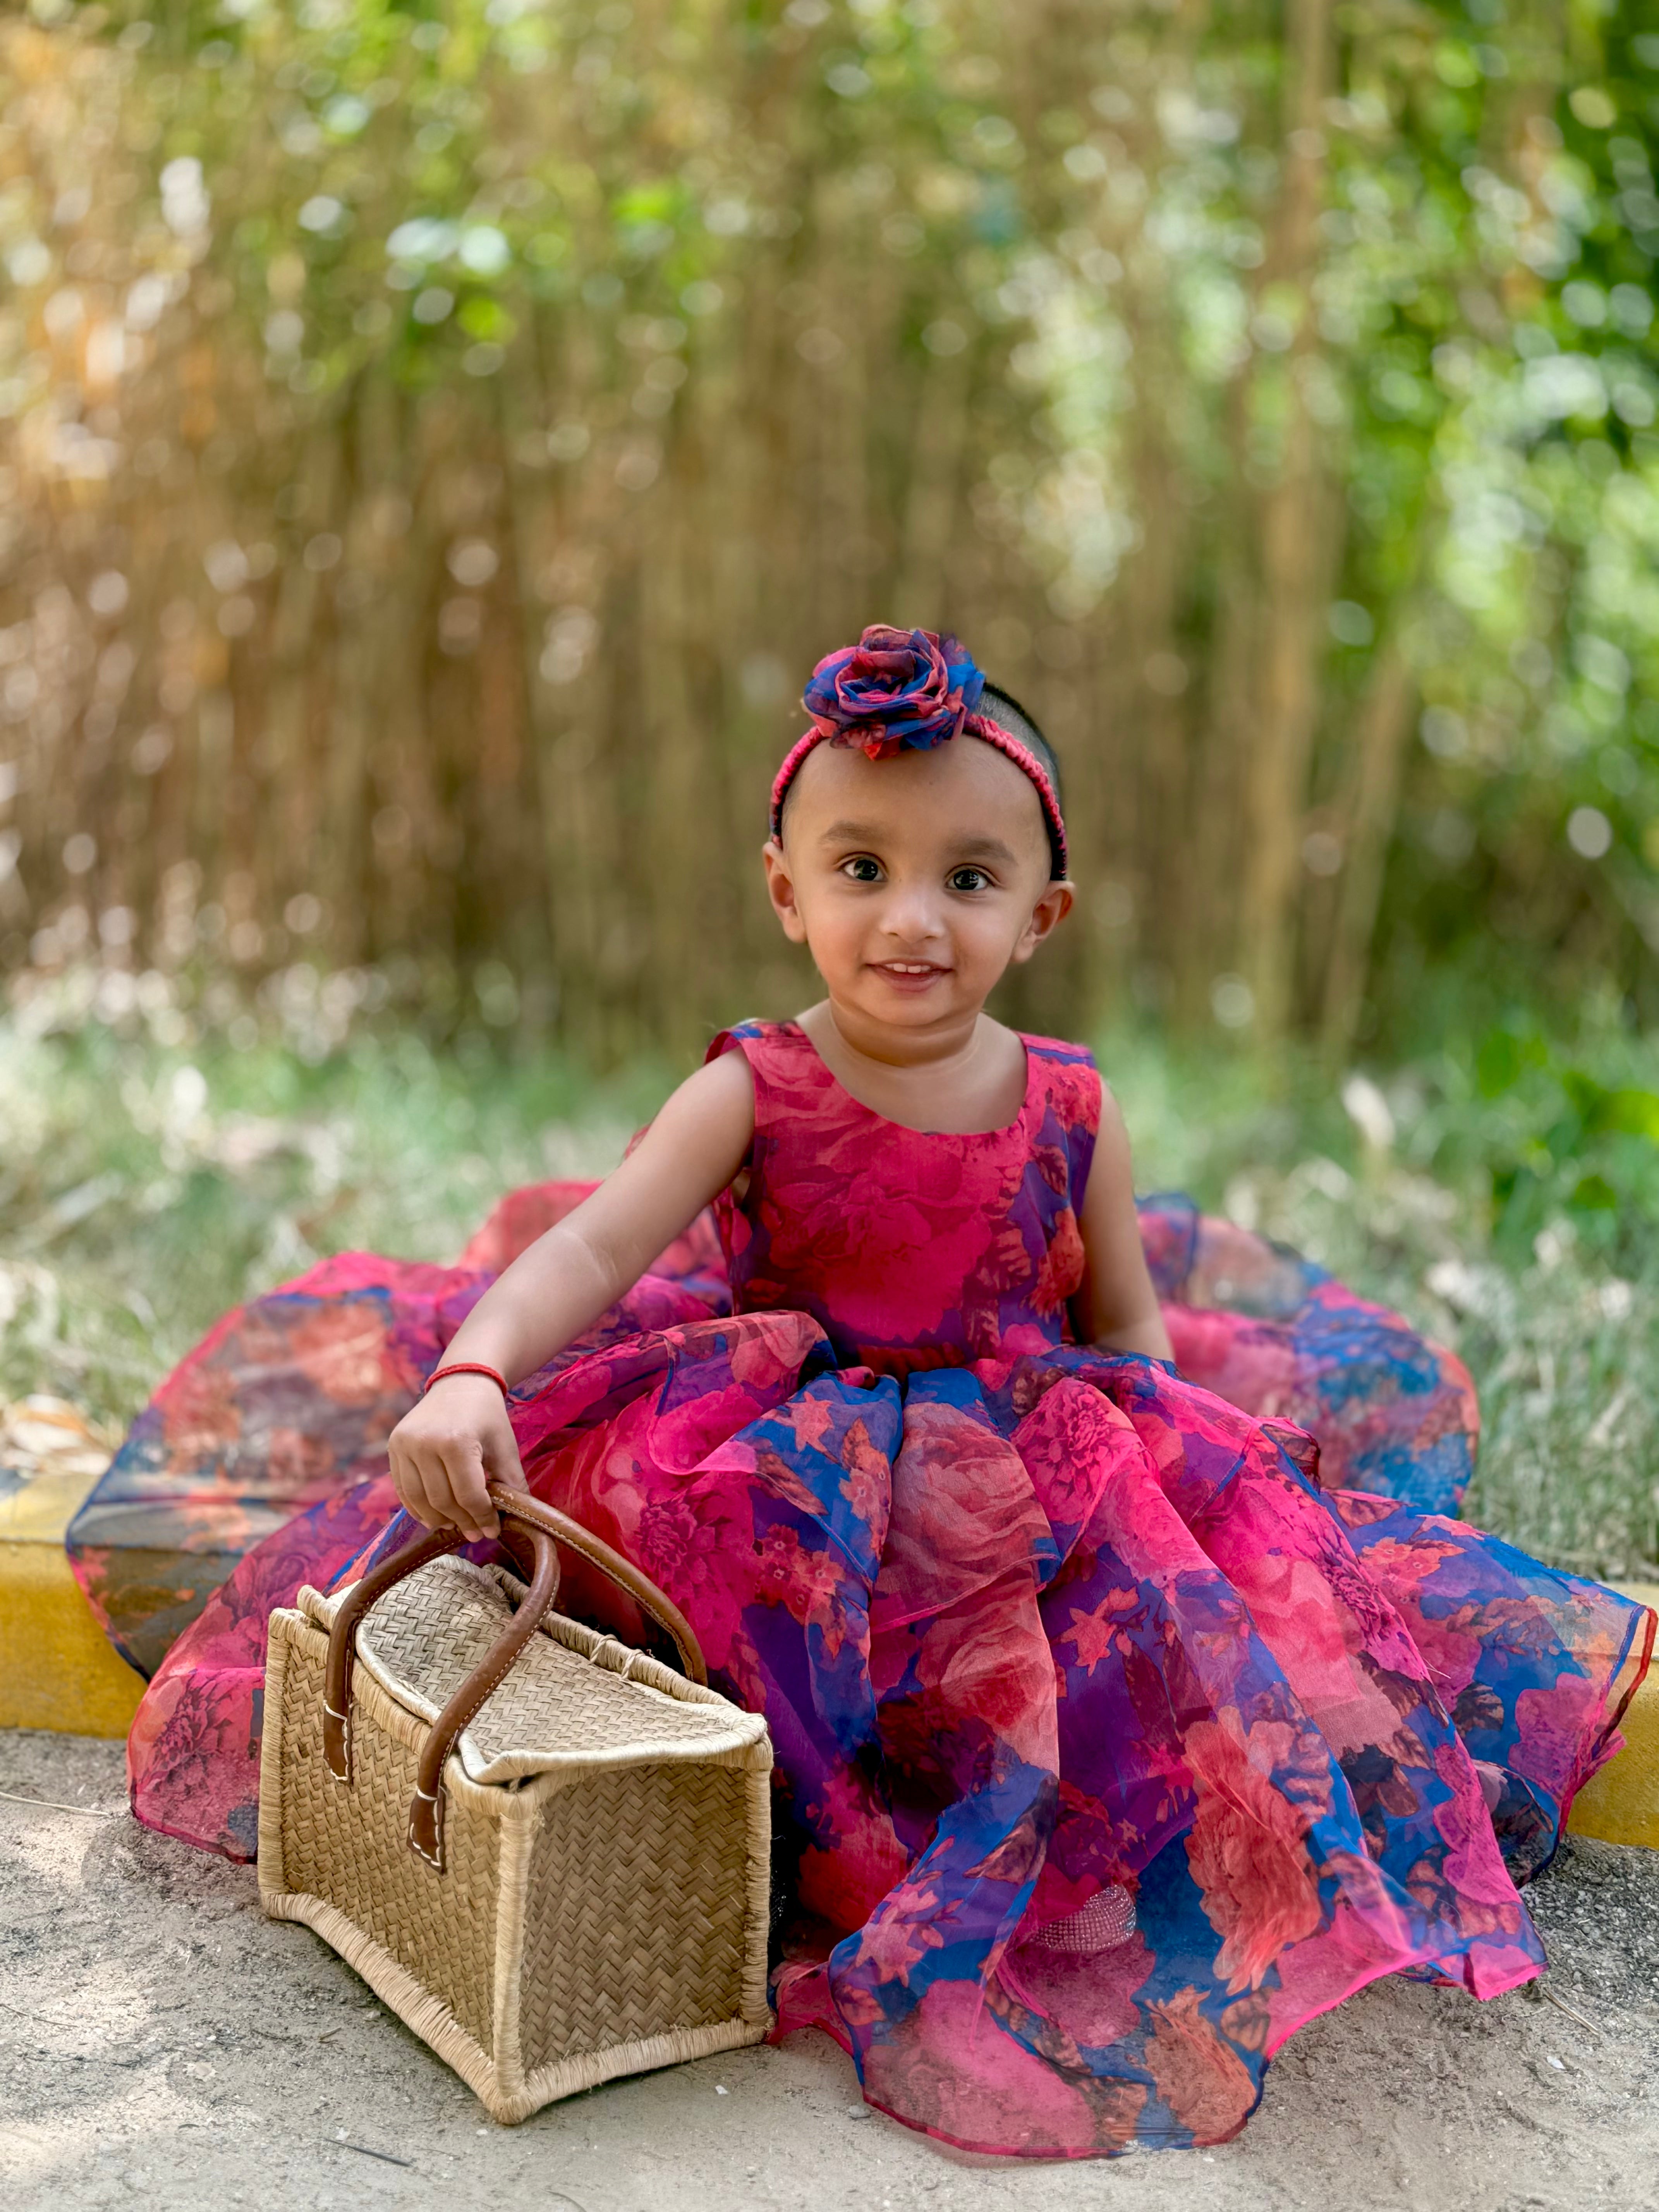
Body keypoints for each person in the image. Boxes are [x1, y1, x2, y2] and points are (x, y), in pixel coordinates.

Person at [103, 627, 1652, 2159]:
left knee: (1152, 1642)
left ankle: (979, 1826)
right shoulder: (753, 1085)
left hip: (1018, 1449)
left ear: (1039, 915)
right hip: (792, 1441)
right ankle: (755, 1816)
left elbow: (1128, 1328)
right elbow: (590, 1246)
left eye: (968, 879)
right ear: (787, 891)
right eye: (862, 869)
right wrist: (472, 1371)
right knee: (674, 1527)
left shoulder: (1068, 1104)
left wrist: (1181, 1508)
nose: (912, 919)